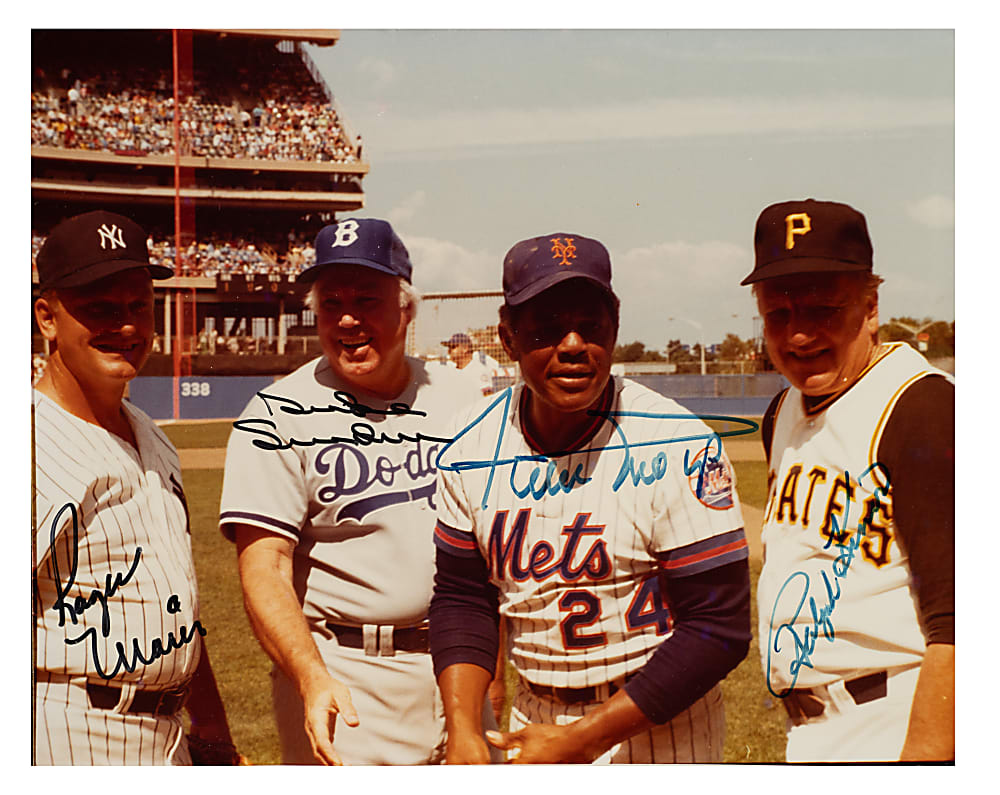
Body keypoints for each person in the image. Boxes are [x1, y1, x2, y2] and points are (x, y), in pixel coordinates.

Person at [429, 232, 751, 764]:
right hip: (531, 718)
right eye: (547, 329)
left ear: (616, 326)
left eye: (591, 326)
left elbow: (719, 626)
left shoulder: (678, 440)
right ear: (508, 338)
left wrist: (582, 740)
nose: (574, 344)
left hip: (658, 725)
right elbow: (463, 598)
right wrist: (463, 725)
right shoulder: (468, 445)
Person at [218, 218, 493, 765]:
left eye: (367, 299)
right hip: (347, 676)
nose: (348, 318)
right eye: (331, 302)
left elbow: (488, 556)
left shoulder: (466, 401)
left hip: (460, 671)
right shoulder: (275, 414)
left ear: (406, 310)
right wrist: (309, 676)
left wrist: (491, 690)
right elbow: (265, 568)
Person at [741, 199, 954, 762]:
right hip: (815, 732)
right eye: (778, 314)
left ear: (870, 306)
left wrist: (928, 756)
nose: (800, 335)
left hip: (898, 717)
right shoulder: (783, 409)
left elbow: (965, 616)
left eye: (822, 310)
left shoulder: (922, 407)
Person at [32, 210, 237, 765]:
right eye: (99, 308)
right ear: (47, 319)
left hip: (168, 735)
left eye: (137, 306)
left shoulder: (153, 437)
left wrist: (214, 726)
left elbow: (177, 605)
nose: (125, 325)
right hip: (67, 728)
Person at [442, 332, 501, 396]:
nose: (449, 351)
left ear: (465, 348)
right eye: (448, 347)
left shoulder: (477, 370)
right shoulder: (452, 371)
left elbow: (487, 398)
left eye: (453, 347)